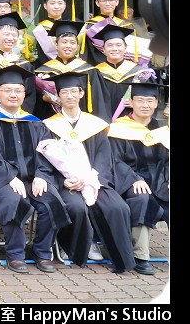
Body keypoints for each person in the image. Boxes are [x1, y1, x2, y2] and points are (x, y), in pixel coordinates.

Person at [0, 65, 71, 274]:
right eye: (8, 90)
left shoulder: (36, 123)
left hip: (34, 179)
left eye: (18, 90)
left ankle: (42, 252)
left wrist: (42, 175)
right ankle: (15, 254)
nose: (13, 95)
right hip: (4, 181)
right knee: (14, 201)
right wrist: (9, 177)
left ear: (24, 93)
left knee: (53, 202)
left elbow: (47, 152)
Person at [42, 71, 135, 273]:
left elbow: (104, 158)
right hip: (66, 184)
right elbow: (45, 161)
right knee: (75, 206)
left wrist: (91, 179)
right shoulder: (49, 125)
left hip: (94, 181)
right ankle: (75, 247)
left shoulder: (95, 125)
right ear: (58, 95)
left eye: (73, 91)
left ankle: (119, 256)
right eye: (64, 92)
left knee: (118, 207)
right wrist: (63, 181)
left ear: (81, 93)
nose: (69, 96)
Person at [108, 81, 169, 276]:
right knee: (142, 199)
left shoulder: (161, 130)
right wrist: (134, 179)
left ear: (156, 103)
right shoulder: (118, 129)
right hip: (130, 181)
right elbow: (115, 161)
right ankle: (141, 256)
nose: (145, 105)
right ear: (131, 102)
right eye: (140, 100)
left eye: (150, 101)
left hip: (160, 181)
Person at [33, 20, 111, 121]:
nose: (68, 46)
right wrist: (44, 98)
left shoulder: (90, 71)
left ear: (77, 47)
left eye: (72, 42)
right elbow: (33, 103)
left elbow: (98, 102)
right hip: (53, 123)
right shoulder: (43, 71)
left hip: (84, 124)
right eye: (64, 42)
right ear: (56, 45)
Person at [93, 24, 152, 120]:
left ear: (125, 48)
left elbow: (150, 99)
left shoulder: (139, 73)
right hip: (102, 122)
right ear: (103, 49)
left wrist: (136, 104)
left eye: (118, 45)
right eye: (110, 45)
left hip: (131, 123)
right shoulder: (95, 73)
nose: (114, 49)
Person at [82, 0, 136, 66]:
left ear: (117, 2)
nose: (107, 4)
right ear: (97, 3)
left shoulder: (126, 25)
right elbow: (88, 53)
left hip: (125, 68)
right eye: (103, 1)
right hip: (99, 68)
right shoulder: (90, 26)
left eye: (111, 0)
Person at [33, 0, 75, 67]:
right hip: (45, 69)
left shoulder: (71, 27)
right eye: (52, 3)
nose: (56, 7)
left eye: (60, 3)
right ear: (45, 6)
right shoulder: (40, 28)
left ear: (65, 6)